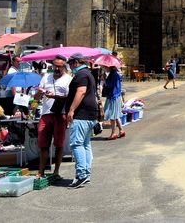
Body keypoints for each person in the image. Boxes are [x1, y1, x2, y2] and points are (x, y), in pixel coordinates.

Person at [35, 56, 71, 181]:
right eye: (54, 65)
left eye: (59, 66)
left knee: (59, 144)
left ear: (64, 67)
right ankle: (41, 171)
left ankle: (56, 171)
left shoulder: (68, 80)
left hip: (60, 114)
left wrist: (55, 96)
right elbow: (36, 98)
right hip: (45, 114)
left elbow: (69, 98)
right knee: (43, 144)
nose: (56, 68)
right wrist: (39, 92)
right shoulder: (46, 77)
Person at [65, 53, 98, 188]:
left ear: (76, 62)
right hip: (90, 115)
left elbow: (81, 92)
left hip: (82, 115)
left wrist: (71, 110)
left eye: (71, 63)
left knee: (76, 144)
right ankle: (86, 173)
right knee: (85, 144)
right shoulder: (88, 73)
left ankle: (81, 175)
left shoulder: (81, 75)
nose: (70, 66)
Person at [103, 65, 125, 139]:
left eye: (105, 67)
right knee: (116, 115)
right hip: (117, 96)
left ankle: (113, 133)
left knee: (112, 115)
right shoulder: (116, 74)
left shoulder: (112, 75)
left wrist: (104, 79)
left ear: (110, 67)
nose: (105, 68)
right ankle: (121, 130)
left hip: (113, 97)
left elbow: (109, 85)